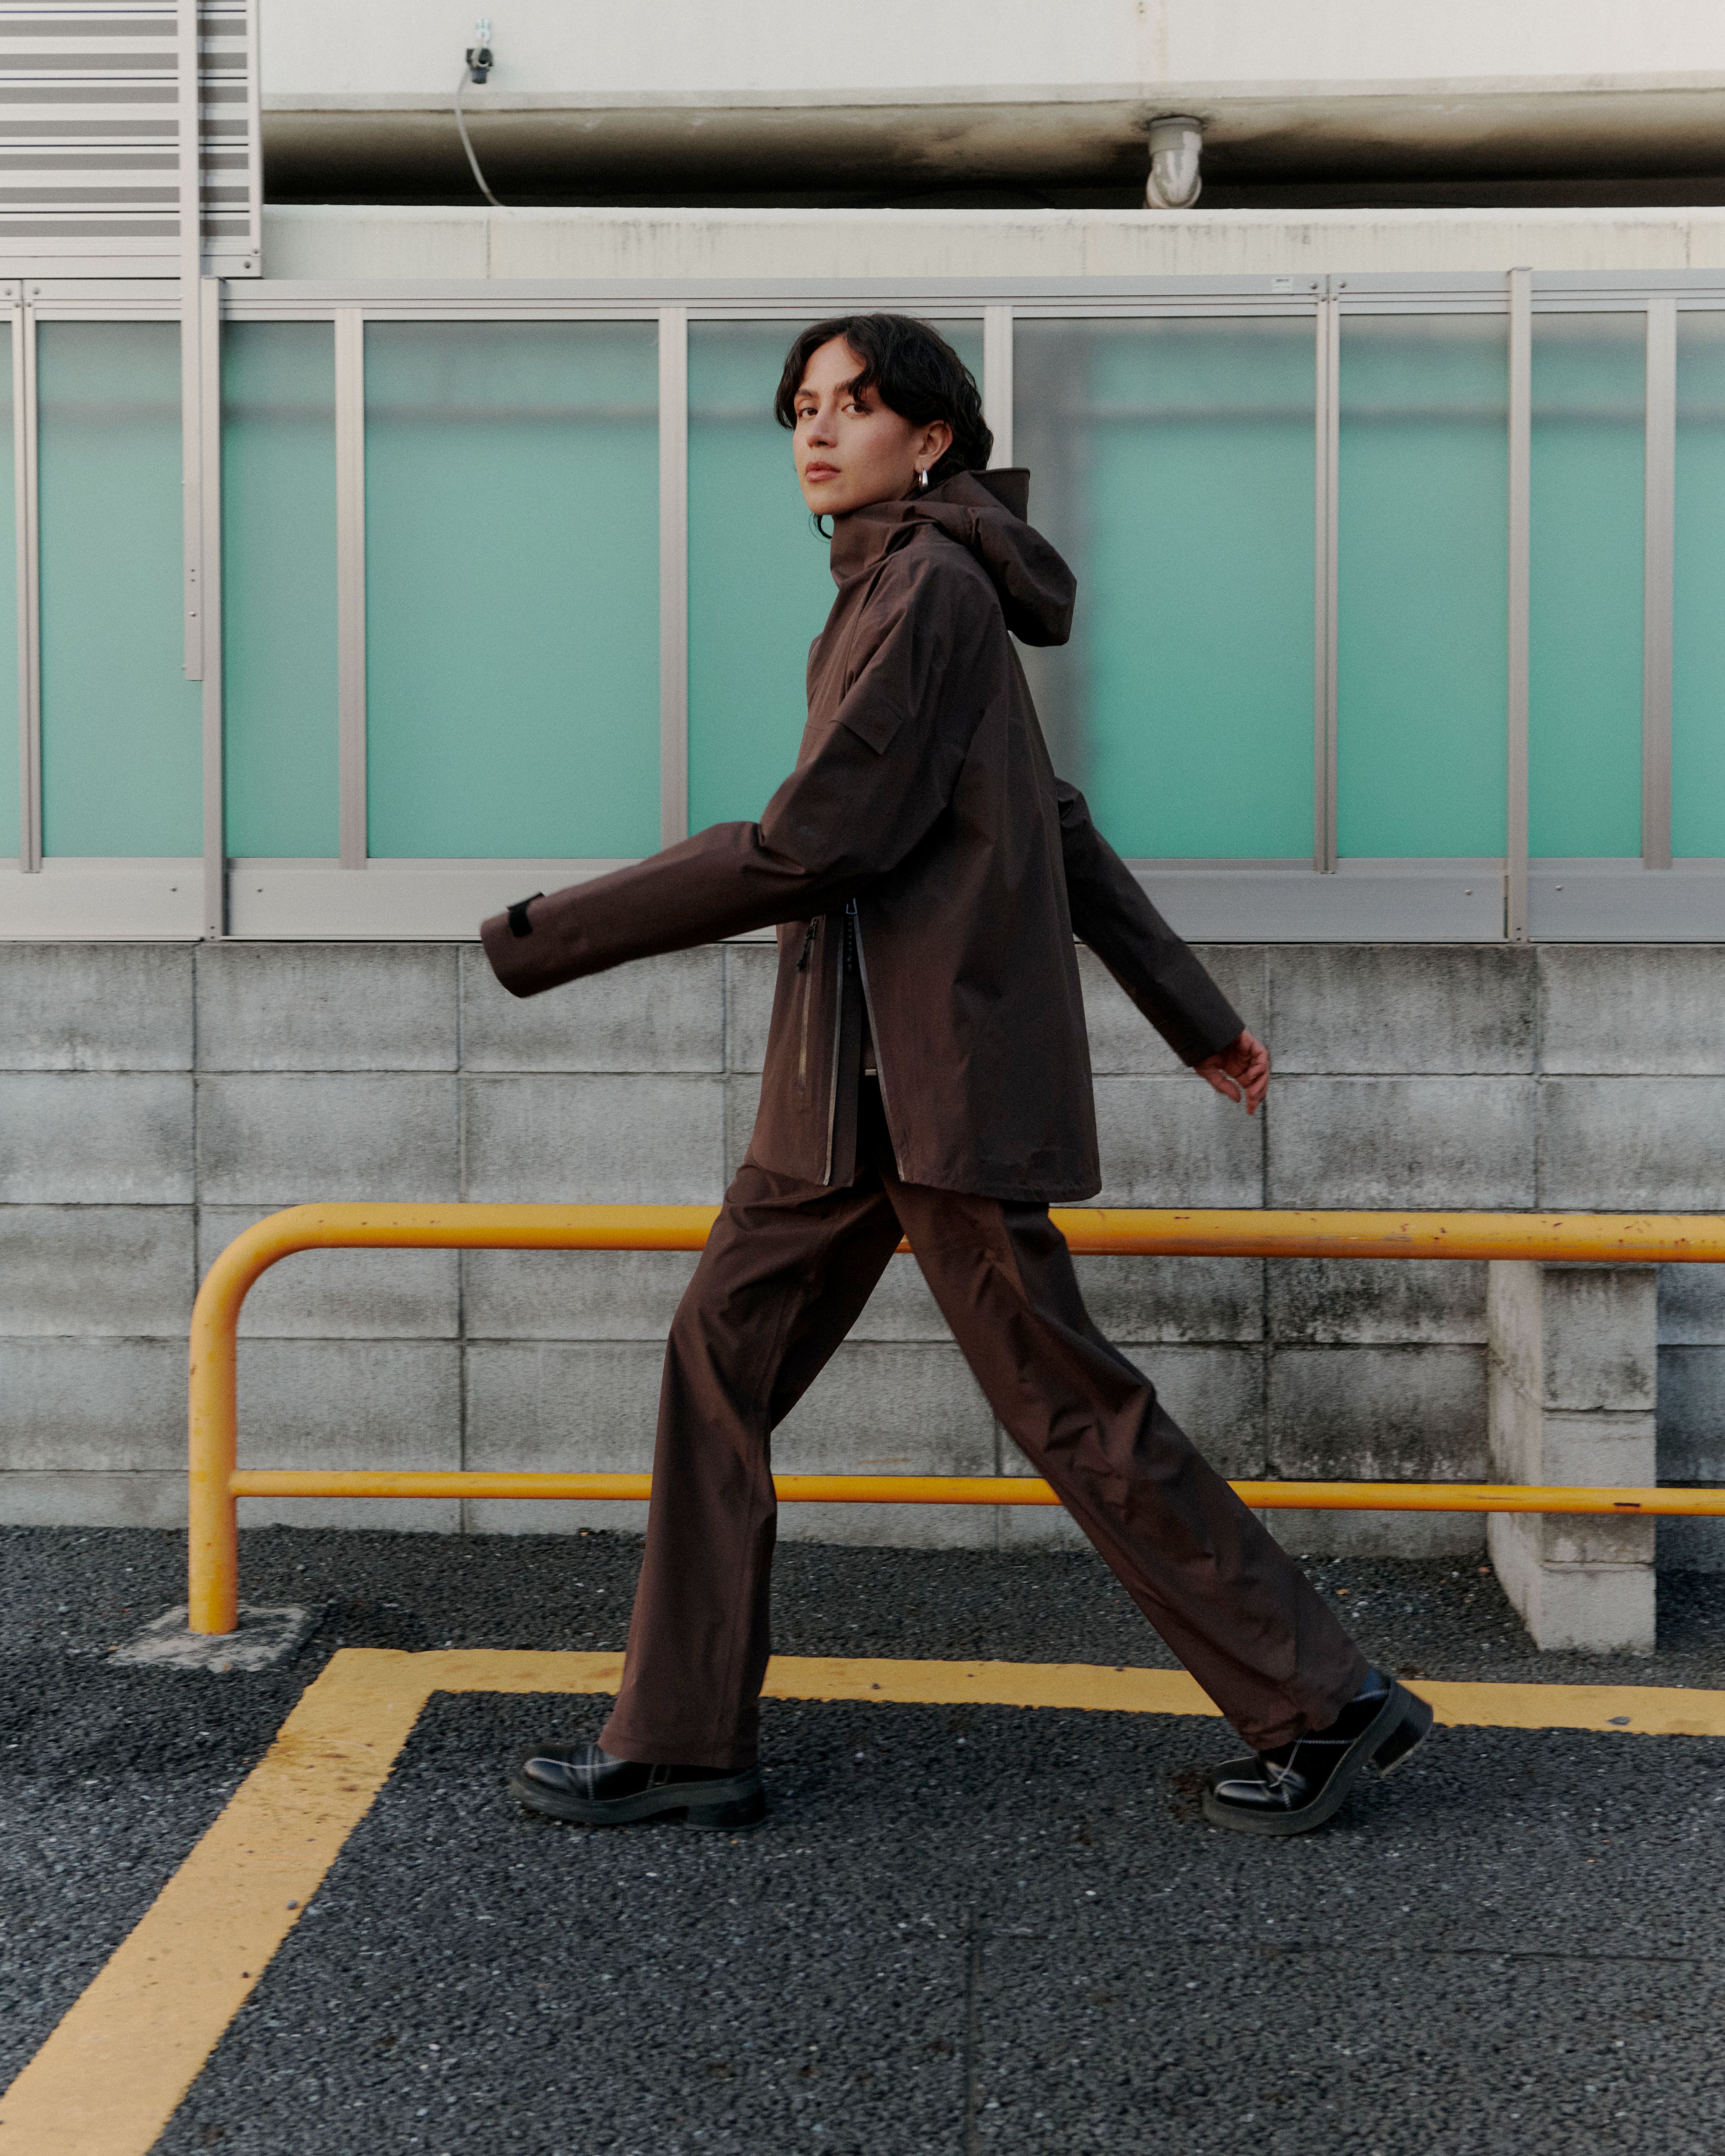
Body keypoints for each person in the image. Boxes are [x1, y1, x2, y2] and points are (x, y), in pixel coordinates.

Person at [482, 313, 1432, 1839]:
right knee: (719, 1362)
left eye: (856, 405)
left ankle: (1326, 1704)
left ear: (932, 441)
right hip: (851, 1094)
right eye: (802, 406)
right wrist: (1197, 1018)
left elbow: (816, 843)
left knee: (1068, 1408)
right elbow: (1048, 820)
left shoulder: (924, 588)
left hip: (929, 1085)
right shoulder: (910, 592)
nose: (818, 429)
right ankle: (680, 1735)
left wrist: (545, 936)